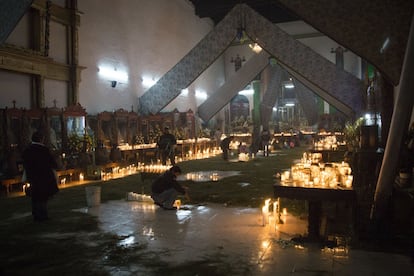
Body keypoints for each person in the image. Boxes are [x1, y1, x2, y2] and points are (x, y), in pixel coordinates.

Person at [22, 131, 59, 222]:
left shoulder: (27, 150)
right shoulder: (44, 150)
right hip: (44, 176)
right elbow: (51, 162)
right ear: (41, 139)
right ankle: (43, 214)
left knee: (35, 195)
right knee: (43, 196)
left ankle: (36, 214)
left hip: (33, 176)